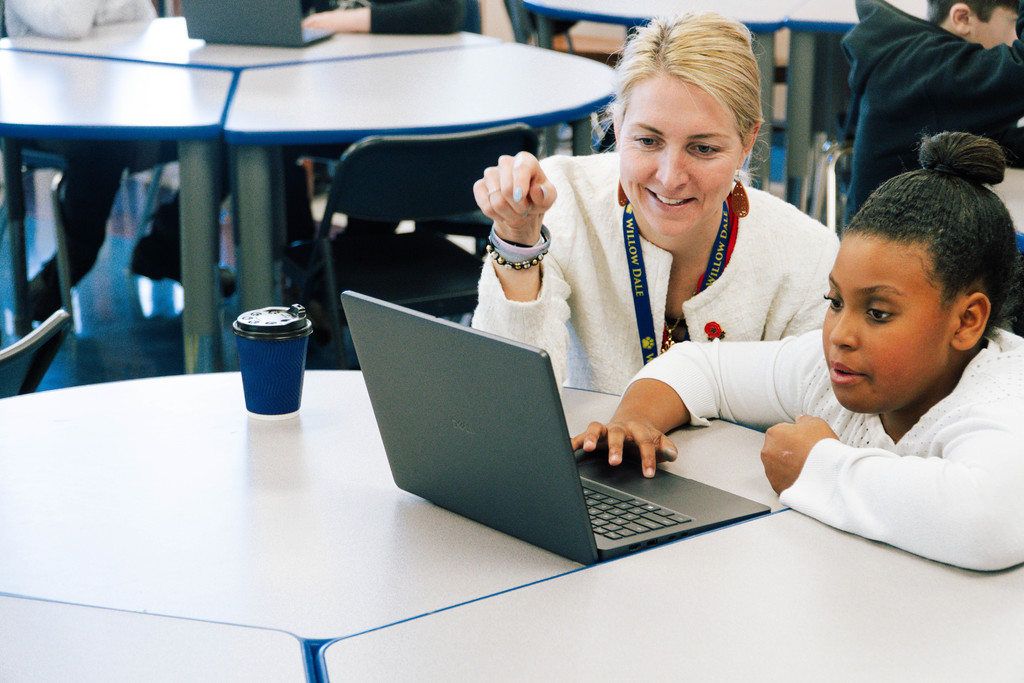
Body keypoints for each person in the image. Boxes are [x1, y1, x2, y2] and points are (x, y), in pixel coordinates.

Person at [574, 131, 1024, 572]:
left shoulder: (1004, 398)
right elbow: (700, 366)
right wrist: (635, 421)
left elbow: (988, 522)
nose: (840, 334)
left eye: (879, 313)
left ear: (967, 322)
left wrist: (818, 467)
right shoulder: (830, 368)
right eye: (835, 302)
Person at [471, 13, 840, 394]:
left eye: (703, 148)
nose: (669, 177)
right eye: (648, 141)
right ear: (618, 126)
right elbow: (507, 394)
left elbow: (814, 418)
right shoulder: (562, 202)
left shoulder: (806, 257)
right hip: (591, 454)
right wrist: (518, 242)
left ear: (747, 143)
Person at [4, 0, 190, 321]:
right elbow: (71, 21)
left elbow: (144, 18)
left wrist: (101, 14)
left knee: (221, 138)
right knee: (101, 148)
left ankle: (167, 246)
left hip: (117, 99)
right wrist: (106, 12)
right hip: (43, 111)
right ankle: (60, 275)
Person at [841, 0, 1024, 220]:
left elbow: (1003, 141)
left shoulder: (920, 58)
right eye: (1014, 24)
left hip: (892, 238)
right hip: (896, 246)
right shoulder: (933, 68)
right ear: (962, 19)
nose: (1015, 39)